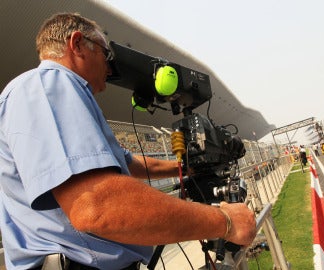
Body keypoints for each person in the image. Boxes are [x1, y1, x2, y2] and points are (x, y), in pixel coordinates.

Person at [0, 13, 256, 270]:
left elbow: (130, 162)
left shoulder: (65, 97)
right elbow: (96, 205)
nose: (110, 69)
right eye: (105, 54)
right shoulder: (48, 86)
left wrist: (186, 167)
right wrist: (225, 221)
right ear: (77, 44)